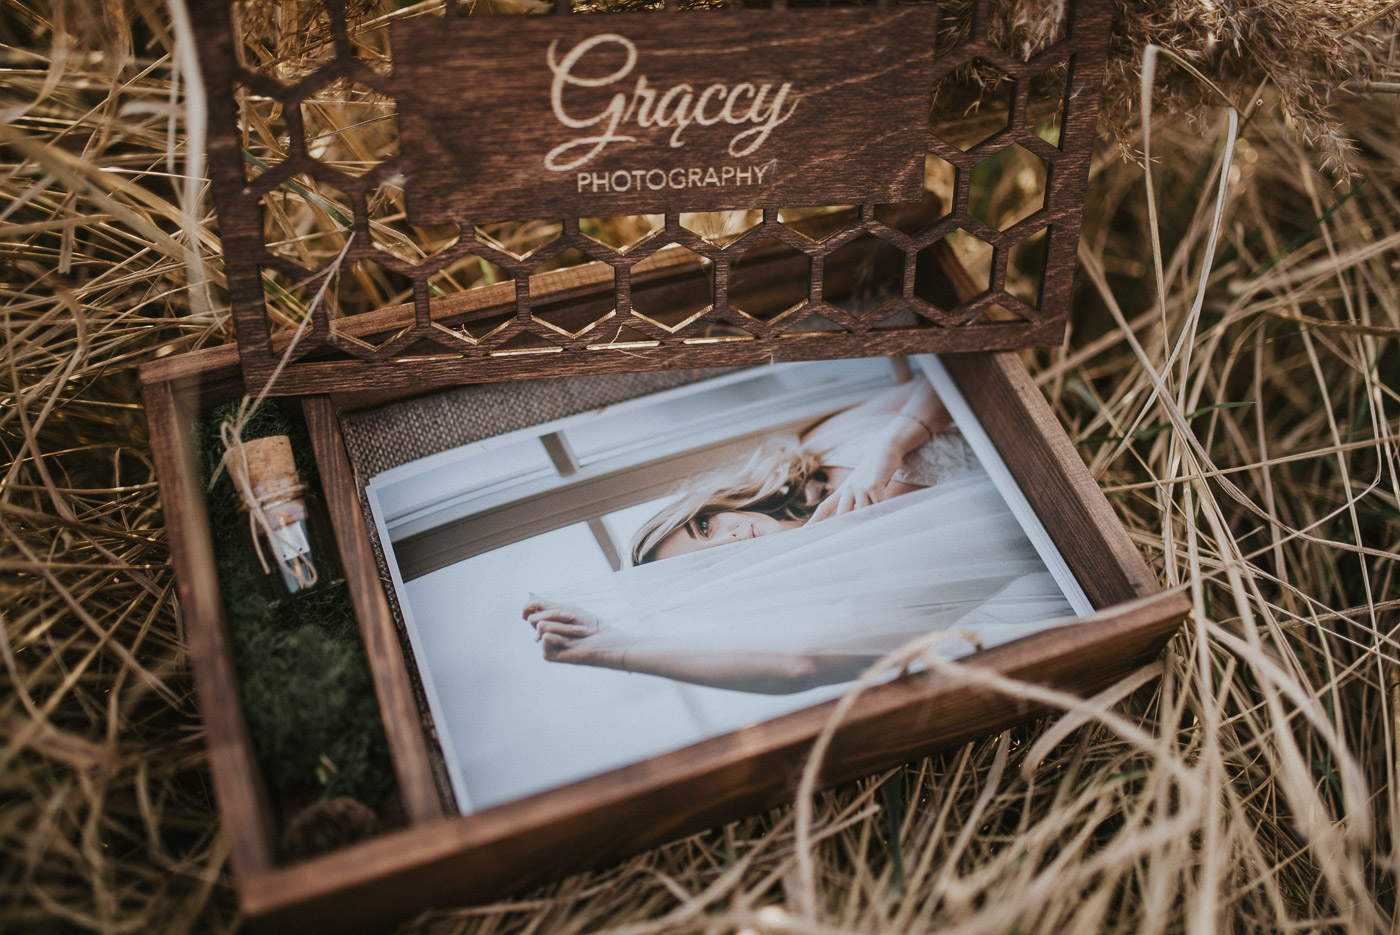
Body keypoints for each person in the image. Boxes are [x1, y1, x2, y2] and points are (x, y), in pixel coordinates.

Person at [521, 375, 1072, 694]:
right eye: (710, 564)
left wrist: (889, 448)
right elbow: (798, 665)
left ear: (714, 505)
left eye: (704, 526)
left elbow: (949, 378)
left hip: (1055, 395)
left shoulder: (819, 449)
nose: (728, 540)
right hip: (1090, 498)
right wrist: (622, 649)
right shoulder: (872, 582)